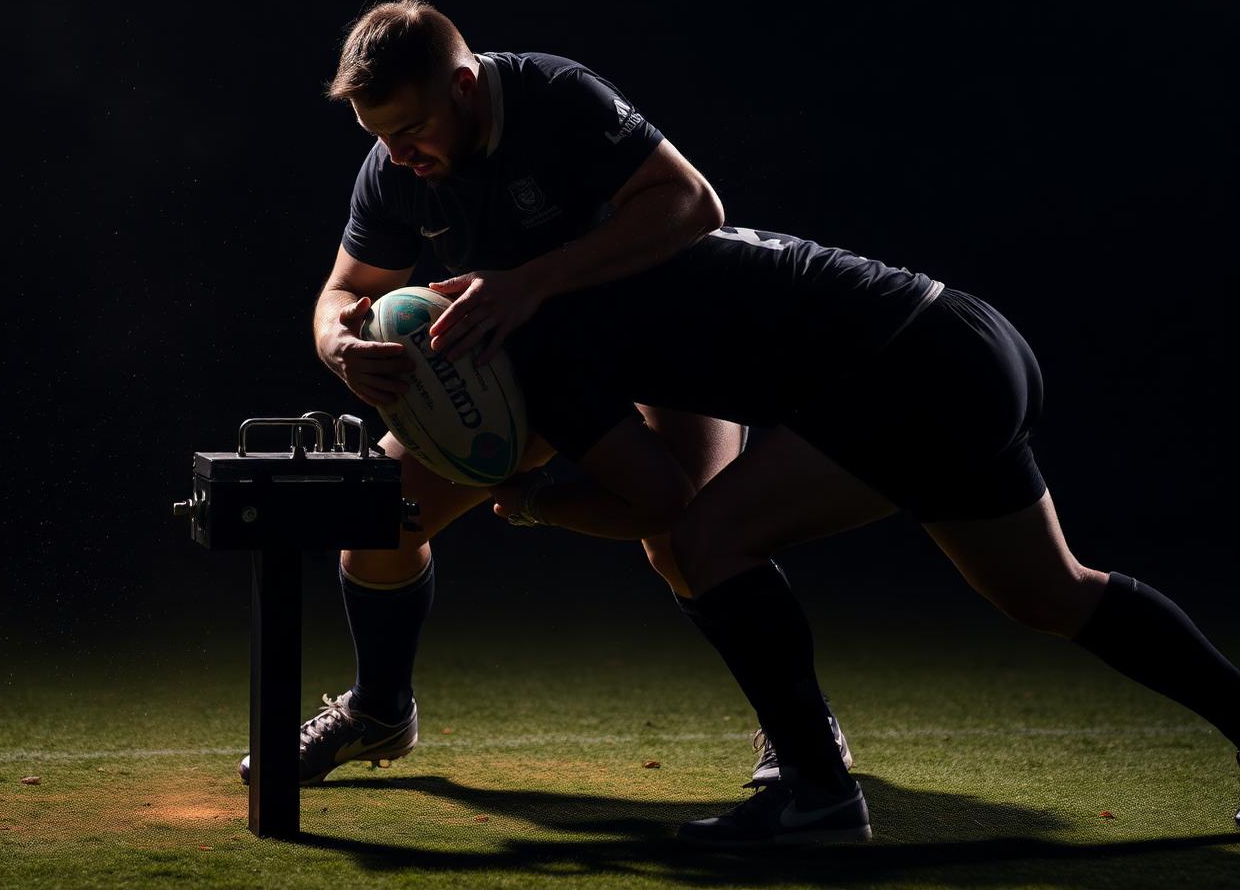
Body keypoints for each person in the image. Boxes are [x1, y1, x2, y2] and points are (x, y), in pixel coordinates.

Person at [239, 0, 852, 787]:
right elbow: (344, 289)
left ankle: (800, 727)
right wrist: (339, 347)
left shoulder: (557, 96)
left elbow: (694, 203)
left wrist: (529, 284)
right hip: (527, 369)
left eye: (410, 129)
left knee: (691, 539)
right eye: (377, 136)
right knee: (376, 522)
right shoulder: (395, 169)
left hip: (662, 345)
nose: (395, 153)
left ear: (464, 87)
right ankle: (380, 710)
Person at [482, 227, 1240, 843]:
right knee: (1052, 594)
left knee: (708, 539)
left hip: (913, 371)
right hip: (966, 339)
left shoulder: (549, 349)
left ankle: (818, 793)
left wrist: (530, 500)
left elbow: (658, 502)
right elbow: (675, 475)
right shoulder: (607, 272)